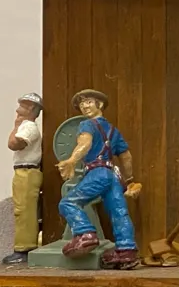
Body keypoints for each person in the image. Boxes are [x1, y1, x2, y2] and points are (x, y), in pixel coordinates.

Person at [56, 89, 141, 269]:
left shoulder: (87, 125)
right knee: (119, 212)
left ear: (99, 104)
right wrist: (129, 179)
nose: (84, 106)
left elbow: (85, 144)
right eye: (81, 104)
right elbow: (126, 157)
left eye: (88, 102)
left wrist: (71, 160)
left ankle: (85, 234)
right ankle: (126, 251)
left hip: (97, 172)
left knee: (68, 203)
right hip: (112, 175)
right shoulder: (113, 130)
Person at [4, 92, 43, 265]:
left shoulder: (29, 127)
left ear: (31, 108)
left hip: (27, 171)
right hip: (23, 171)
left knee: (24, 210)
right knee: (21, 209)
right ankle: (23, 246)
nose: (18, 110)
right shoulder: (25, 125)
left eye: (22, 106)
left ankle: (24, 249)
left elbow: (14, 144)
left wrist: (15, 126)